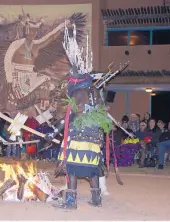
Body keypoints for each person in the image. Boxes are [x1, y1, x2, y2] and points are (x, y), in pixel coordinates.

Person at [44, 24, 118, 209]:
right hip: (94, 136)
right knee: (92, 167)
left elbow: (71, 115)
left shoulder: (79, 93)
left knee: (72, 167)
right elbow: (102, 111)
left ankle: (70, 202)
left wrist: (54, 132)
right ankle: (96, 199)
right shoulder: (95, 90)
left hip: (79, 134)